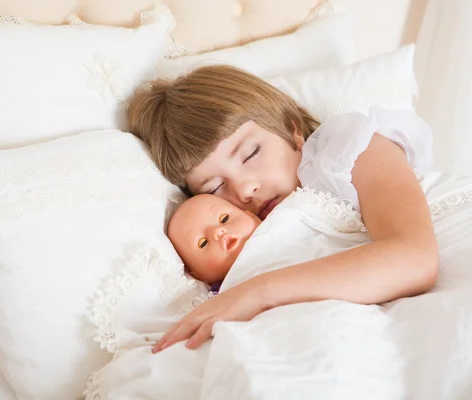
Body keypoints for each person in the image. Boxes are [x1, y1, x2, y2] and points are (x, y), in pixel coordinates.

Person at [128, 65, 439, 353]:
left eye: (251, 154)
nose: (245, 190)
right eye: (214, 188)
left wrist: (257, 293)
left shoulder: (351, 153)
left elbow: (414, 259)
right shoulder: (247, 241)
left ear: (292, 130)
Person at [167, 193, 260, 287]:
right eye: (203, 243)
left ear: (251, 216)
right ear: (199, 276)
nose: (217, 232)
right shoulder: (226, 296)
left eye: (224, 219)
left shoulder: (274, 223)